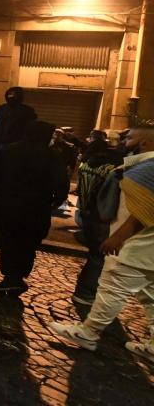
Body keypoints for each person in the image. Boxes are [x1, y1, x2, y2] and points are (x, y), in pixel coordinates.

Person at [49, 156, 154, 365]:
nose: (125, 140)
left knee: (112, 289)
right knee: (151, 296)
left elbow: (146, 208)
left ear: (146, 139)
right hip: (147, 251)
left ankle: (88, 333)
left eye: (131, 135)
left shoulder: (149, 166)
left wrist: (119, 236)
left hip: (137, 248)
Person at [0, 120, 69, 295]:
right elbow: (61, 183)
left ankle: (11, 277)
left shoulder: (9, 150)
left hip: (10, 204)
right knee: (29, 242)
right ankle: (17, 277)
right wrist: (57, 200)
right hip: (37, 207)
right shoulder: (52, 156)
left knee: (9, 240)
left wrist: (0, 192)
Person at [72, 127, 147, 305]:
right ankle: (86, 292)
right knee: (99, 258)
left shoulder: (94, 162)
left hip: (88, 215)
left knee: (96, 256)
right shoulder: (119, 168)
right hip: (103, 220)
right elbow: (112, 197)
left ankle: (87, 291)